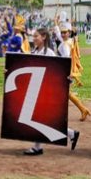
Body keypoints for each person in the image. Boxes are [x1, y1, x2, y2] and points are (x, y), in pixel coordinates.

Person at [23, 27, 80, 156]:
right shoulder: (34, 52)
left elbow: (59, 71)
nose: (34, 38)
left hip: (45, 91)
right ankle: (71, 133)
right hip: (36, 89)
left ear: (43, 37)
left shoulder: (49, 53)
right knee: (41, 119)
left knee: (38, 118)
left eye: (36, 36)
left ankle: (37, 147)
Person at [55, 19, 91, 121]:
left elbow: (67, 58)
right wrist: (56, 24)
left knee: (65, 93)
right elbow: (58, 35)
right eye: (62, 32)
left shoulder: (66, 44)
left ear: (69, 33)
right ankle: (83, 109)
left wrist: (67, 72)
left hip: (66, 71)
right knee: (66, 93)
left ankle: (82, 109)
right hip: (67, 70)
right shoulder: (68, 41)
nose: (62, 34)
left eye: (65, 32)